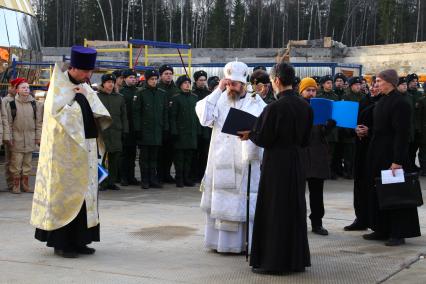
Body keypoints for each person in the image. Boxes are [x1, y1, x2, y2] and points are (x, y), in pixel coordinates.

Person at [31, 46, 112, 258]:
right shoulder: (57, 87)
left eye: (90, 71)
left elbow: (100, 113)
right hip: (64, 153)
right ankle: (62, 244)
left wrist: (86, 95)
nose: (88, 75)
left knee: (85, 197)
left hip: (86, 148)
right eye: (85, 71)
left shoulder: (85, 86)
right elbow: (58, 117)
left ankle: (81, 241)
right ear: (73, 67)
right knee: (66, 197)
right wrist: (79, 99)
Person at [242, 63, 312, 274]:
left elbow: (263, 138)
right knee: (294, 208)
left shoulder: (273, 108)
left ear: (277, 81)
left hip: (277, 164)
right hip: (298, 161)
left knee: (275, 210)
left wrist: (250, 134)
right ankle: (296, 260)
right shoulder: (305, 106)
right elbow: (306, 139)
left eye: (272, 81)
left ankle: (274, 261)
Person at [195, 61, 266, 254]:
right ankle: (221, 243)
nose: (231, 87)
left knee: (243, 202)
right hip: (221, 159)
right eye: (228, 83)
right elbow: (204, 118)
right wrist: (218, 90)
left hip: (245, 159)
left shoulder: (255, 100)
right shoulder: (219, 97)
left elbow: (263, 125)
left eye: (235, 84)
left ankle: (244, 243)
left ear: (244, 84)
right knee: (222, 200)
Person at [363, 69, 421, 246]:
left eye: (379, 81)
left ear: (390, 82)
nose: (376, 84)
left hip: (392, 154)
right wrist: (368, 131)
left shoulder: (400, 103)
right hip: (378, 152)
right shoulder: (382, 100)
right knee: (379, 192)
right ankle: (381, 228)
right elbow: (382, 128)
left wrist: (397, 161)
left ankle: (398, 232)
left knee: (395, 194)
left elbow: (401, 134)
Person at [344, 79, 382, 231]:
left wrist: (369, 131)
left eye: (377, 85)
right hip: (360, 147)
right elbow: (354, 121)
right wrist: (355, 129)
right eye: (372, 85)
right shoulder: (364, 101)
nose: (373, 88)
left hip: (376, 149)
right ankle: (361, 218)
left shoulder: (385, 103)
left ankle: (375, 221)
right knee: (359, 183)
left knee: (373, 185)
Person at [299, 77, 331, 236]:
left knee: (317, 193)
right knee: (298, 193)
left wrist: (329, 126)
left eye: (313, 90)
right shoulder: (297, 106)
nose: (311, 93)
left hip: (317, 154)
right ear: (301, 91)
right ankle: (298, 222)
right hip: (301, 154)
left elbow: (322, 133)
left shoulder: (320, 106)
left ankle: (317, 223)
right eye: (308, 90)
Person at [133, 69, 169, 189]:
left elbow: (165, 113)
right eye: (151, 79)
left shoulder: (161, 93)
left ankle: (153, 179)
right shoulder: (141, 93)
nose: (154, 81)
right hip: (145, 130)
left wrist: (165, 128)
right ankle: (145, 180)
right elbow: (136, 113)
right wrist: (137, 130)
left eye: (155, 79)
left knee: (155, 157)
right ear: (147, 80)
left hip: (157, 130)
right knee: (144, 158)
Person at [6, 78, 42, 194]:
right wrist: (9, 137)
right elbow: (9, 123)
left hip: (30, 139)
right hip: (17, 139)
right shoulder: (11, 104)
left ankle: (25, 185)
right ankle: (15, 185)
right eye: (23, 88)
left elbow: (38, 122)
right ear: (17, 90)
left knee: (27, 164)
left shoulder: (34, 104)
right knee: (16, 163)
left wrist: (38, 137)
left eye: (27, 87)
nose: (26, 89)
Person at [97, 73, 128, 191]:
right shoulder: (97, 97)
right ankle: (102, 182)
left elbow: (124, 115)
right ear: (103, 84)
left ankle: (112, 181)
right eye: (108, 82)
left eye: (112, 82)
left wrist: (125, 130)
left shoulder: (119, 97)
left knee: (115, 158)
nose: (111, 84)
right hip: (102, 133)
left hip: (116, 131)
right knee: (102, 159)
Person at [170, 75, 199, 187]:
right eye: (185, 83)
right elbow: (173, 116)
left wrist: (198, 131)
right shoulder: (176, 98)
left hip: (191, 132)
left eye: (188, 83)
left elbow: (197, 116)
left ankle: (186, 178)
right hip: (180, 133)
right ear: (180, 85)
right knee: (179, 158)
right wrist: (174, 131)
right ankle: (179, 178)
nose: (187, 85)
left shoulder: (194, 97)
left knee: (189, 158)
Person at [157, 64, 180, 183]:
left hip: (173, 125)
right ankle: (159, 174)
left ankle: (166, 174)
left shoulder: (176, 89)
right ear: (161, 75)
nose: (168, 76)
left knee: (170, 152)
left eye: (170, 74)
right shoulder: (157, 88)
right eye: (166, 74)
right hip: (160, 125)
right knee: (159, 152)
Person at [340, 77, 365, 179]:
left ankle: (356, 171)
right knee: (348, 153)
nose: (358, 86)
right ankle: (348, 172)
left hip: (360, 126)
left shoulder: (363, 97)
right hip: (348, 128)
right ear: (351, 86)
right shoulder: (346, 97)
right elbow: (344, 114)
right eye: (356, 84)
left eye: (359, 84)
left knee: (358, 152)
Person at [317, 75, 340, 179]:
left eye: (331, 83)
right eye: (328, 83)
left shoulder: (335, 96)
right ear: (323, 84)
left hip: (333, 128)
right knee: (322, 152)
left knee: (332, 152)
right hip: (321, 127)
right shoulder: (318, 96)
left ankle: (330, 171)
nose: (330, 85)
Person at [119, 69, 140, 186]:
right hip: (125, 127)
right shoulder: (121, 92)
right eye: (130, 77)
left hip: (134, 127)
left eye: (134, 77)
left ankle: (131, 176)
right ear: (124, 79)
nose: (133, 79)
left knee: (132, 154)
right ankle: (123, 177)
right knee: (124, 154)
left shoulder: (139, 91)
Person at [192, 70, 211, 183]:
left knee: (204, 153)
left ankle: (202, 174)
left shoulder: (209, 94)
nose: (203, 82)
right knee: (194, 153)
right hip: (195, 127)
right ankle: (193, 174)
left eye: (204, 80)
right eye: (200, 80)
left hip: (206, 128)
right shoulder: (193, 93)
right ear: (196, 81)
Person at [2, 81, 14, 189]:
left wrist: (6, 135)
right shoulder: (5, 100)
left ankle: (15, 184)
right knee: (9, 160)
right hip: (10, 133)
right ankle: (10, 183)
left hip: (17, 133)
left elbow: (4, 118)